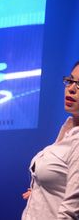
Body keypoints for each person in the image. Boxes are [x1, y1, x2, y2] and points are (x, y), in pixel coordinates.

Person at [21, 62, 79, 219]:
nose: (72, 88)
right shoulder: (68, 130)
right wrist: (41, 191)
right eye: (71, 80)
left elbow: (70, 213)